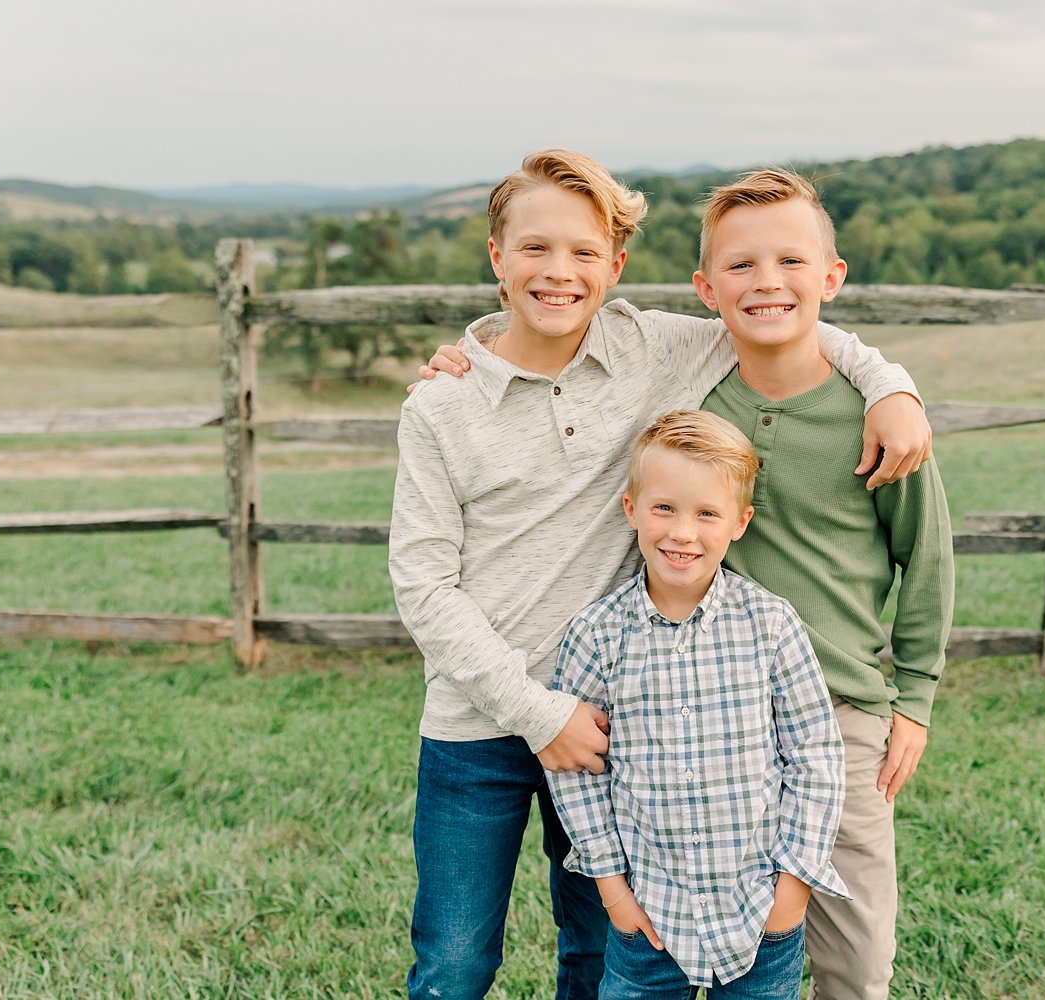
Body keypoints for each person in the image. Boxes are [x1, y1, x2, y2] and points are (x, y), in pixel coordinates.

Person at [390, 148, 931, 1000]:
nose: (559, 272)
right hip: (478, 725)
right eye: (534, 248)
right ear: (497, 259)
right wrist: (538, 713)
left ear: (617, 266)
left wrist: (890, 385)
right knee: (455, 962)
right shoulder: (442, 407)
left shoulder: (648, 348)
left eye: (583, 252)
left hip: (618, 717)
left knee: (601, 947)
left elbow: (781, 314)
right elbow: (423, 590)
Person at [694, 169, 955, 1000]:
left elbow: (928, 560)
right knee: (719, 929)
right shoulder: (689, 405)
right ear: (706, 289)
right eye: (740, 266)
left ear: (831, 278)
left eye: (791, 261)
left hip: (842, 709)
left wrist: (912, 697)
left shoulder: (879, 422)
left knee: (855, 945)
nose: (767, 282)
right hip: (714, 704)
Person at [547, 409, 848, 999]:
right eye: (664, 508)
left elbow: (815, 754)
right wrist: (613, 891)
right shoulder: (597, 634)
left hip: (760, 911)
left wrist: (793, 889)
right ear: (631, 509)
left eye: (707, 513)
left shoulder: (770, 624)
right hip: (649, 917)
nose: (683, 533)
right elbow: (579, 775)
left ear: (740, 522)